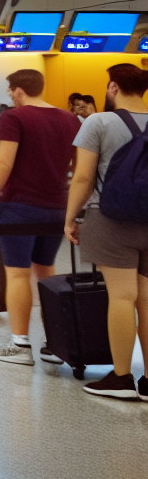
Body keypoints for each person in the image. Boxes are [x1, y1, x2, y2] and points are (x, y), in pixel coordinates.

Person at [0, 69, 82, 366]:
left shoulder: (14, 117)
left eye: (10, 90)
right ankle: (54, 343)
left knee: (18, 273)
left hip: (20, 205)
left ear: (18, 90)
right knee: (46, 270)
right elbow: (77, 164)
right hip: (57, 206)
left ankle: (20, 344)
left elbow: (5, 160)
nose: (9, 95)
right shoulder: (69, 119)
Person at [66, 63, 148, 400]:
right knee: (146, 299)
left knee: (122, 296)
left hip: (110, 217)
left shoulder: (98, 122)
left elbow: (83, 178)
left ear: (113, 87)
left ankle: (121, 376)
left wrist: (70, 218)